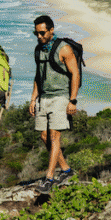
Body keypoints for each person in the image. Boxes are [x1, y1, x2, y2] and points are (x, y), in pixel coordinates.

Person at [29, 14, 80, 195]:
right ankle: (66, 170)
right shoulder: (38, 49)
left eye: (42, 33)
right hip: (43, 97)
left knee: (54, 137)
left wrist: (72, 100)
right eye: (36, 33)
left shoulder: (64, 49)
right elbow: (38, 75)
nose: (39, 37)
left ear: (51, 30)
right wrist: (33, 98)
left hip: (60, 97)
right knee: (44, 137)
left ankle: (49, 178)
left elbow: (75, 74)